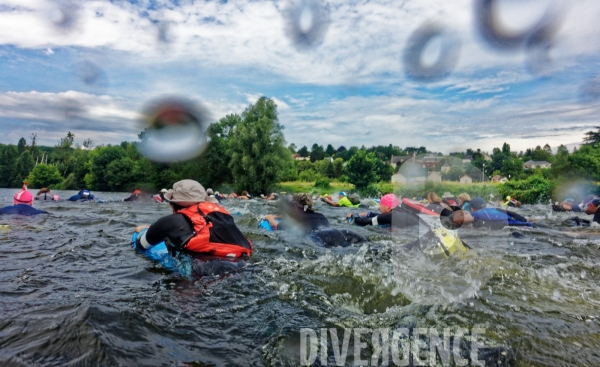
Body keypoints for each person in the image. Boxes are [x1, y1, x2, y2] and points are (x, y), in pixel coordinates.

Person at [133, 180, 252, 276]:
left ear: (173, 204)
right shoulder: (222, 217)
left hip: (203, 272)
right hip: (242, 267)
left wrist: (142, 230)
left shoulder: (169, 222)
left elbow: (141, 245)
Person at [264, 193, 366, 247]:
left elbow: (275, 225)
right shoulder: (320, 215)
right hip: (342, 233)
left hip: (320, 237)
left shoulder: (295, 223)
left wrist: (270, 217)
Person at [346, 193, 423, 229]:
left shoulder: (388, 216)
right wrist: (370, 214)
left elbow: (363, 222)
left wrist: (352, 217)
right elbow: (383, 217)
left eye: (380, 205)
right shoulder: (403, 211)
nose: (378, 208)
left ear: (388, 208)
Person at [449, 197, 531, 229]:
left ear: (472, 209)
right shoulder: (494, 209)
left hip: (519, 228)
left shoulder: (479, 214)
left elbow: (455, 220)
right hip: (526, 225)